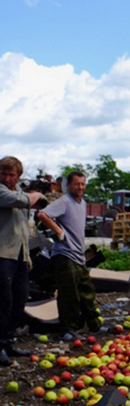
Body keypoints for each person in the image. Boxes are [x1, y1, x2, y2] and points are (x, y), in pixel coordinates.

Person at [36, 170, 103, 341]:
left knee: (87, 291)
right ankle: (67, 330)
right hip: (65, 255)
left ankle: (94, 325)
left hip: (78, 255)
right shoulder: (64, 201)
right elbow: (42, 214)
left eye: (82, 184)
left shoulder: (82, 203)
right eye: (76, 184)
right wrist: (58, 230)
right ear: (69, 185)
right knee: (69, 295)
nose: (80, 187)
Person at [0, 156, 44, 365]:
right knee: (3, 302)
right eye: (4, 174)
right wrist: (36, 195)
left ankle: (8, 342)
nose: (7, 178)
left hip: (19, 254)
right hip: (2, 254)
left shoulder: (17, 191)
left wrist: (27, 257)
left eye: (12, 175)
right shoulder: (3, 192)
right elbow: (24, 200)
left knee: (19, 300)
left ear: (18, 176)